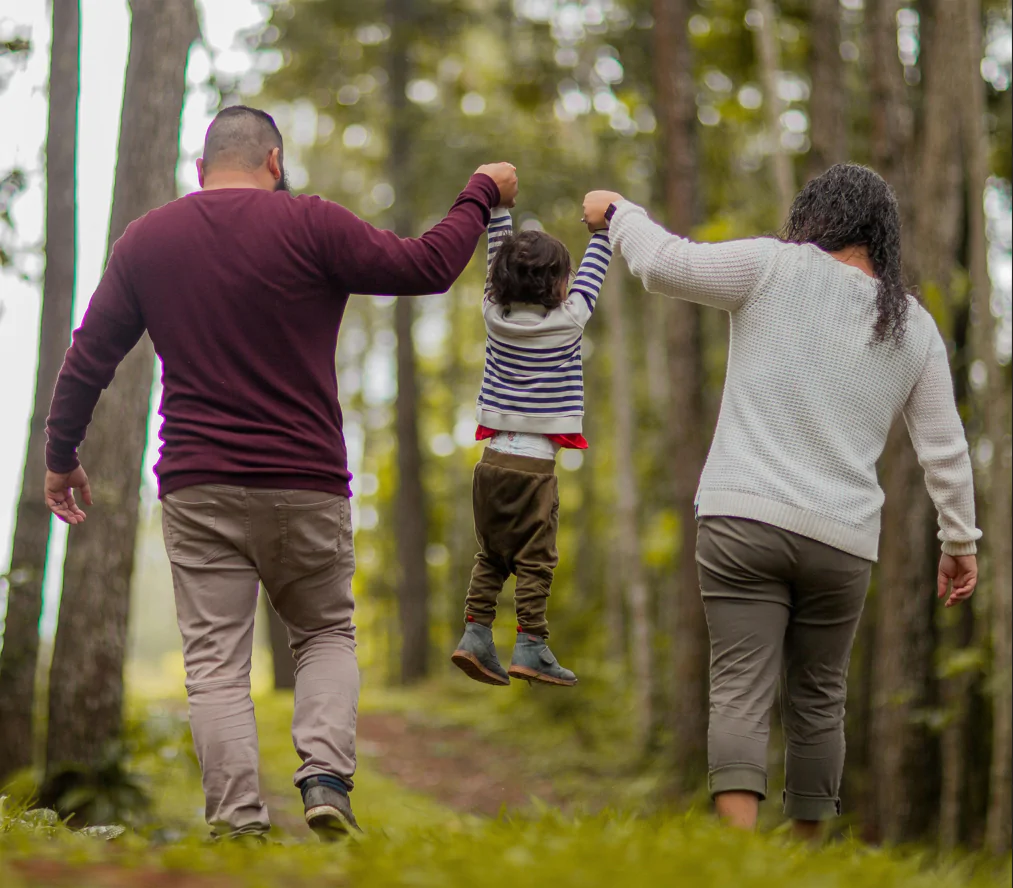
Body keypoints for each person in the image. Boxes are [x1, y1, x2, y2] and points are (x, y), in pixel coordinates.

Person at [43, 104, 518, 841]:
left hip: (198, 484)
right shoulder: (311, 222)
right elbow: (427, 266)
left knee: (215, 666)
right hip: (305, 480)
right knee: (325, 631)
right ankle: (326, 778)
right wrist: (480, 192)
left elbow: (89, 357)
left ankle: (237, 824)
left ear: (200, 172)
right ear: (274, 161)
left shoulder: (148, 240)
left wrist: (60, 456)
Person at [582, 164, 980, 840]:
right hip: (842, 542)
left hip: (742, 520)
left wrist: (619, 211)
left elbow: (662, 265)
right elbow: (943, 449)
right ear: (882, 236)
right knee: (820, 701)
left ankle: (741, 859)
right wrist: (959, 543)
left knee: (740, 685)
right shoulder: (911, 326)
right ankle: (802, 862)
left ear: (814, 216)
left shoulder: (771, 266)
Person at [450, 207, 612, 687]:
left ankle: (476, 633)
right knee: (535, 561)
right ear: (559, 284)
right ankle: (531, 644)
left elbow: (492, 260)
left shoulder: (492, 315)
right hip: (534, 469)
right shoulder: (569, 321)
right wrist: (603, 229)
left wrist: (499, 210)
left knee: (492, 556)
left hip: (491, 464)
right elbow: (594, 272)